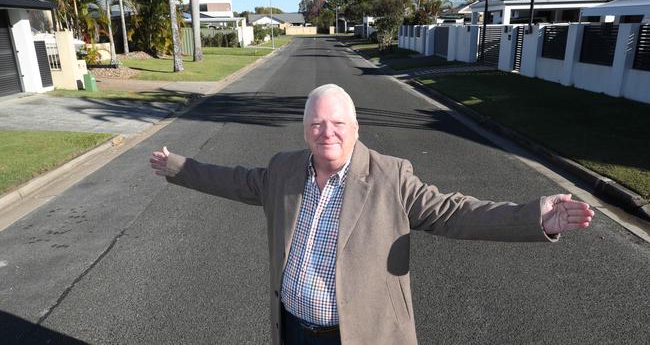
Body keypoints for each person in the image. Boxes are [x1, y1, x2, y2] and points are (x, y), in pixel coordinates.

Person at [150, 84, 594, 345]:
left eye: (338, 123)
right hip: (293, 329)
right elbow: (234, 180)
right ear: (305, 130)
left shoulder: (391, 176)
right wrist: (175, 165)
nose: (328, 133)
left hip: (359, 335)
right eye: (318, 124)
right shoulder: (284, 170)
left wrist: (535, 216)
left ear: (356, 128)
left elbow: (454, 213)